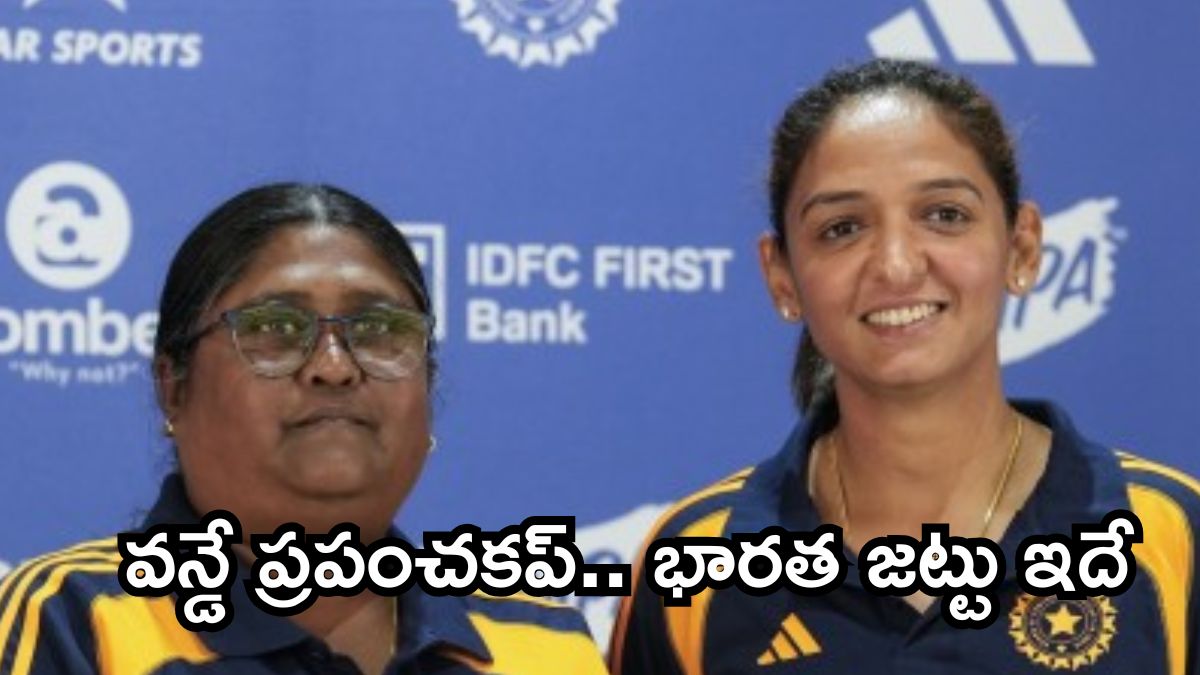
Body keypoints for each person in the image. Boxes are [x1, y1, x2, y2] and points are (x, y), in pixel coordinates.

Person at [609, 59, 1200, 674]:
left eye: (945, 215)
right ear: (781, 276)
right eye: (842, 228)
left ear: (1022, 247)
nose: (896, 264)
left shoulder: (1170, 535)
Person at [0, 183, 607, 675]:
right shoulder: (76, 621)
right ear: (173, 387)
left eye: (381, 329)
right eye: (275, 328)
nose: (334, 367)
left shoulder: (542, 640)